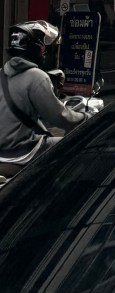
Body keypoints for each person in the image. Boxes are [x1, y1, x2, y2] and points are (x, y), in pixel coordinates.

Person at [0, 20, 86, 176]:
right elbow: (61, 118)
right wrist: (85, 117)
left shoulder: (1, 73)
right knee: (75, 144)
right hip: (22, 153)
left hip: (3, 151)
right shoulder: (37, 77)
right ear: (34, 48)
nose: (44, 50)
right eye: (42, 45)